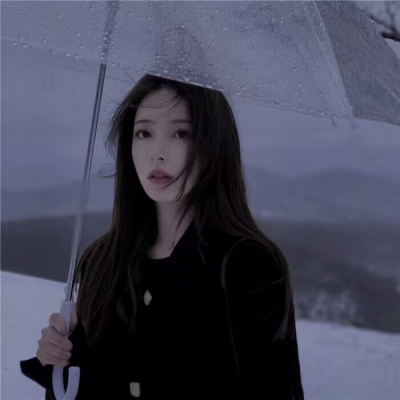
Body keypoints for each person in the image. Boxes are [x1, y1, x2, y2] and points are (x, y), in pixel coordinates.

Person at [20, 74, 304, 400]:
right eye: (144, 132)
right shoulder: (102, 260)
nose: (157, 152)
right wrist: (60, 362)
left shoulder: (246, 264)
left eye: (181, 133)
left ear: (214, 146)